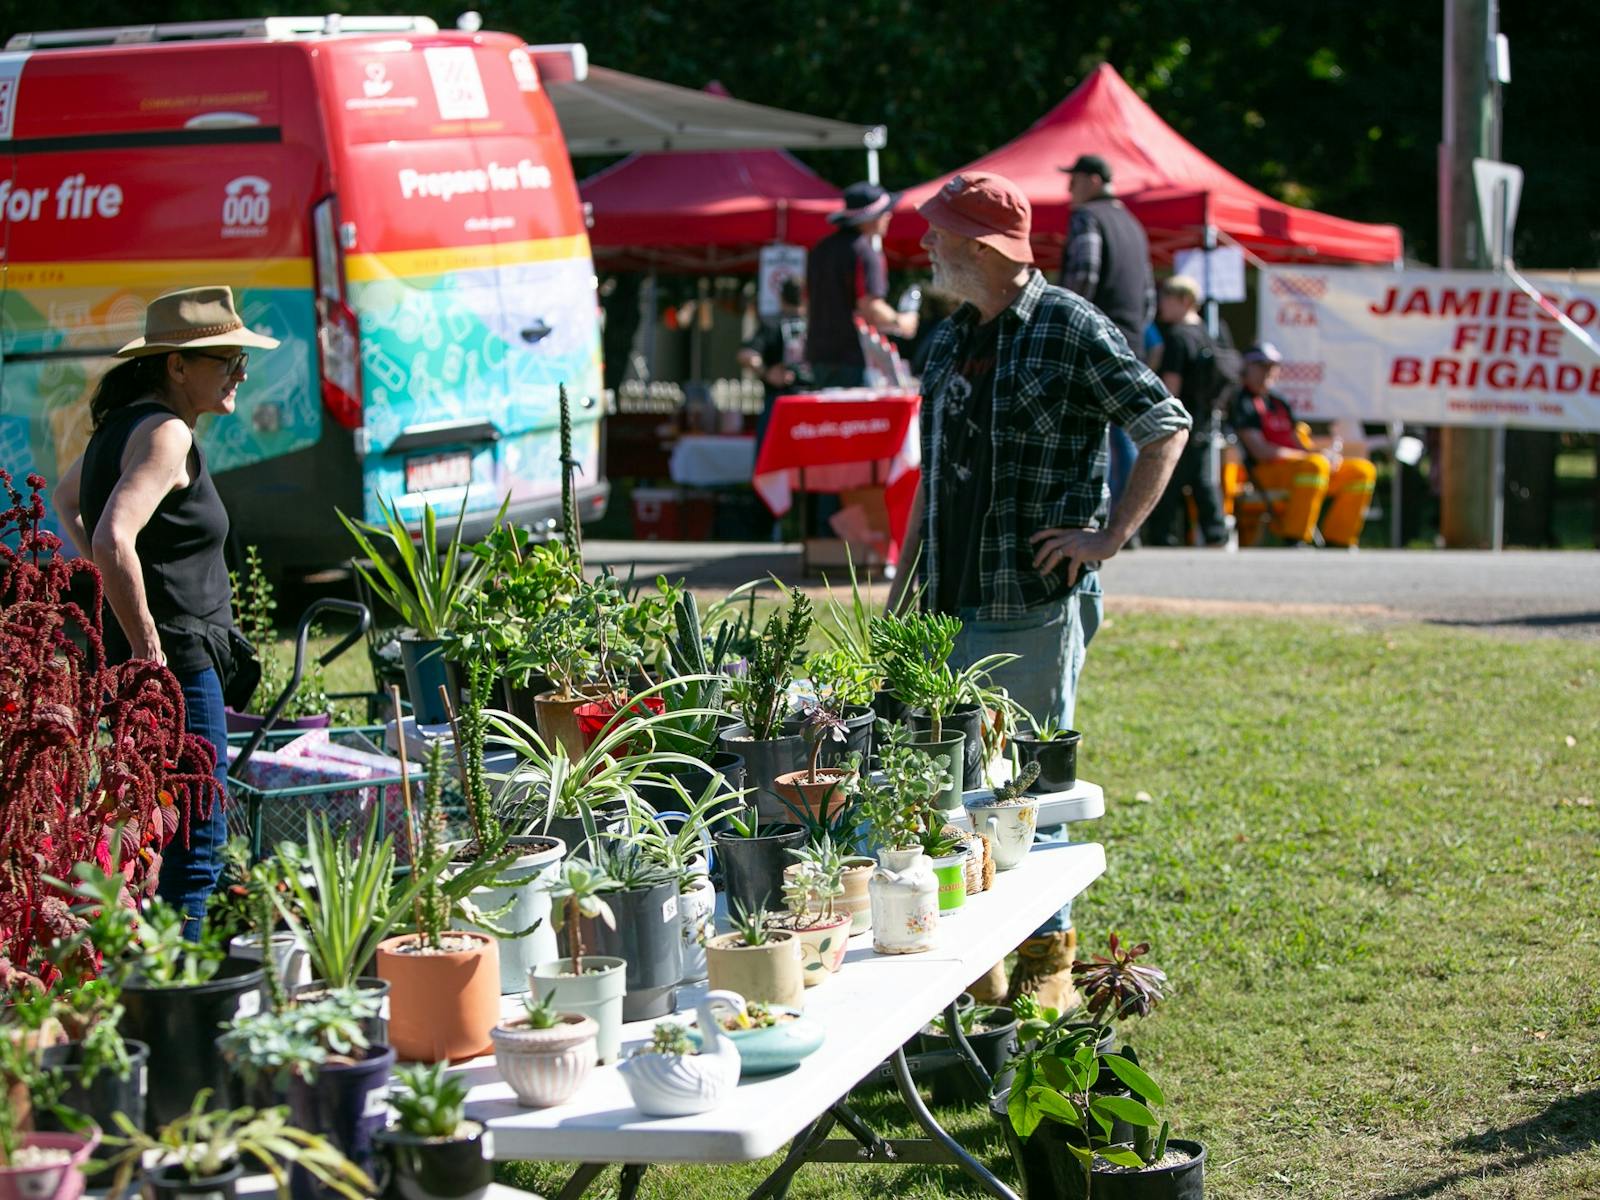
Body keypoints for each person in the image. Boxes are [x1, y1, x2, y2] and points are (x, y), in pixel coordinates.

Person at [890, 172, 1190, 1009]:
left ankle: (1045, 967)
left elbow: (1164, 425)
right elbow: (934, 479)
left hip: (1027, 601)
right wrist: (901, 589)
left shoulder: (1068, 325)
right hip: (942, 605)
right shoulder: (949, 337)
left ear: (983, 246)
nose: (927, 245)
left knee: (1027, 794)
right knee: (948, 793)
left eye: (940, 232)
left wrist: (1108, 537)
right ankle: (976, 970)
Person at [54, 286, 280, 935]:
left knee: (166, 829)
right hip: (177, 661)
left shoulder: (125, 427)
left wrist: (124, 601)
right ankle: (184, 980)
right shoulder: (167, 432)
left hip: (164, 659)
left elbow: (69, 500)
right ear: (176, 365)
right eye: (226, 360)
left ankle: (161, 966)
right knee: (198, 840)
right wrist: (147, 643)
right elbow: (110, 537)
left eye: (241, 359)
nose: (240, 373)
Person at [1226, 343, 1376, 548]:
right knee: (1314, 465)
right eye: (1261, 366)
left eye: (1273, 366)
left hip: (1296, 467)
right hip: (1264, 472)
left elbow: (1299, 444)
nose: (1268, 371)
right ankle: (1295, 537)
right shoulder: (1242, 401)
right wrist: (1310, 458)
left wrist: (1325, 453)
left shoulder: (1278, 402)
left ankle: (1339, 541)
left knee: (1362, 470)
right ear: (1246, 368)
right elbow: (1261, 451)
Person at [806, 182, 918, 387]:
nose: (889, 216)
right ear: (870, 218)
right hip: (851, 357)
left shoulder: (820, 249)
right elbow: (870, 308)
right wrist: (902, 322)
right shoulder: (864, 252)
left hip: (818, 354)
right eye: (884, 212)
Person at [1145, 275, 1228, 545]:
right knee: (1201, 479)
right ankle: (1215, 532)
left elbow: (1172, 384)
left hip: (1180, 418)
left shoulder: (1177, 337)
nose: (1161, 304)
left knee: (1168, 476)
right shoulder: (1207, 333)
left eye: (1167, 298)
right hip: (1203, 417)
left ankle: (1163, 535)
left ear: (1185, 300)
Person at [737, 276, 811, 447]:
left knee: (770, 457)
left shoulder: (772, 323)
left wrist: (766, 372)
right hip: (811, 403)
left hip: (779, 405)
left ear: (781, 298)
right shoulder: (816, 325)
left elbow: (746, 355)